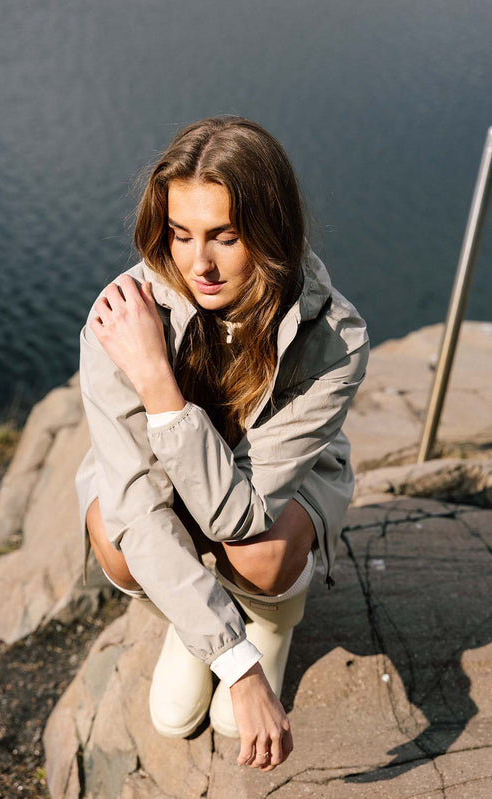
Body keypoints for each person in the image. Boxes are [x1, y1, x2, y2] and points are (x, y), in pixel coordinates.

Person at [75, 116, 369, 772]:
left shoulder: (335, 338)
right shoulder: (122, 317)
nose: (197, 264)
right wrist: (237, 666)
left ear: (271, 231)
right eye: (180, 234)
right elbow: (136, 509)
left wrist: (159, 389)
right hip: (169, 486)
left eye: (225, 237)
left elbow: (238, 515)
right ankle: (205, 621)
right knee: (115, 538)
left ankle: (271, 617)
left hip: (264, 500)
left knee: (258, 553)